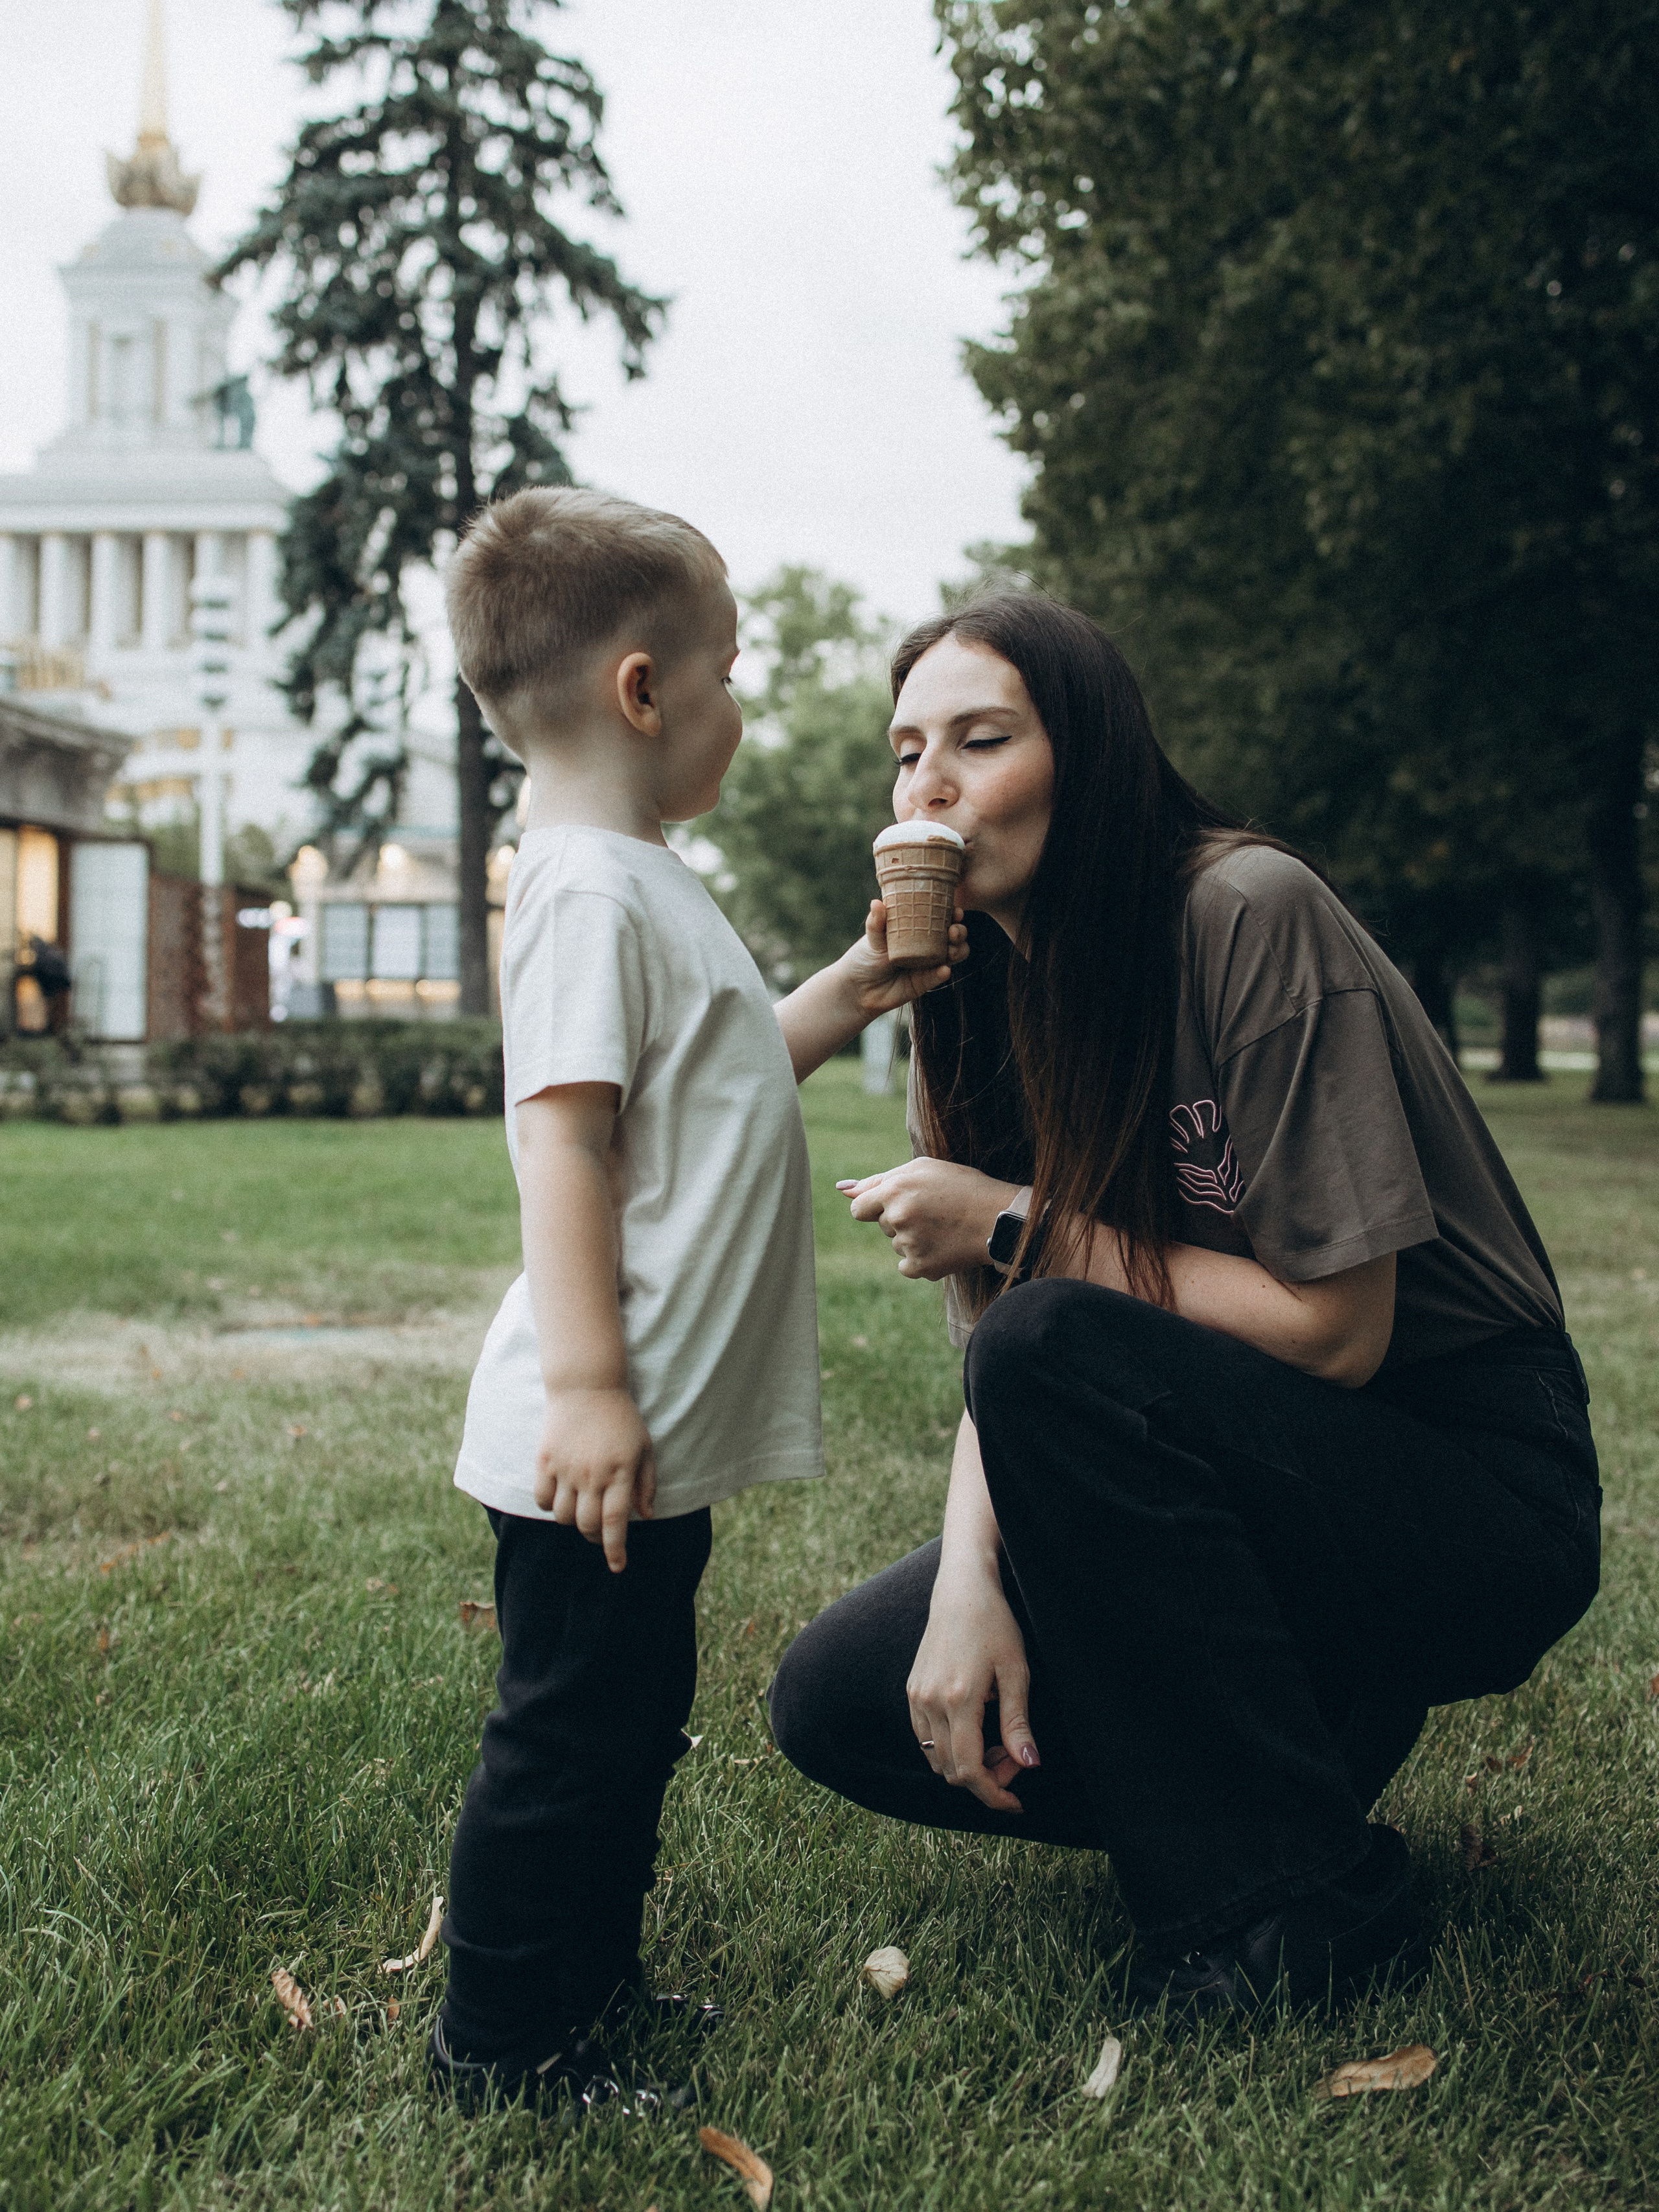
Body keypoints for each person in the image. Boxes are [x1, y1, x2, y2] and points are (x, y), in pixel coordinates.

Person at [767, 592, 1600, 2017]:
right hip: (1220, 1467)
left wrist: (1013, 1219)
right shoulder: (966, 989)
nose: (932, 787)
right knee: (845, 1696)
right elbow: (1005, 1365)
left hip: (1459, 1478)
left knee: (1056, 1338)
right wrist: (971, 1583)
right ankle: (1272, 1779)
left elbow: (1335, 1334)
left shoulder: (1242, 911)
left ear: (1087, 759)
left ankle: (1287, 1912)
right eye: (905, 755)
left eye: (980, 739)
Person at [430, 487, 964, 2109]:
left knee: (630, 1716)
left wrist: (848, 987)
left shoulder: (640, 878)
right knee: (571, 1734)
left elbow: (720, 1073)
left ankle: (593, 1982)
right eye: (728, 675)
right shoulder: (586, 887)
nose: (741, 708)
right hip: (599, 1426)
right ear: (642, 692)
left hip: (643, 1431)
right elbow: (565, 1145)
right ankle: (509, 2045)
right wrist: (592, 1388)